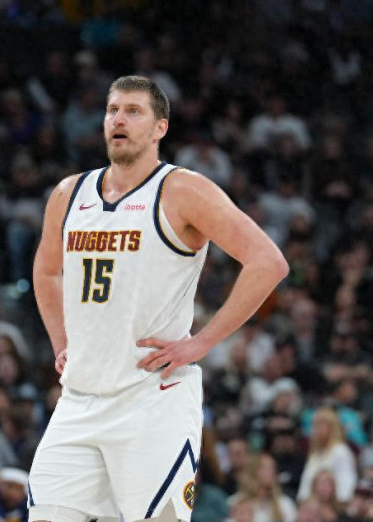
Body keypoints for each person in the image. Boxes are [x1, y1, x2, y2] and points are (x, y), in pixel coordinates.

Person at [28, 75, 289, 522]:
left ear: (159, 128)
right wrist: (60, 342)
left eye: (133, 111)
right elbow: (47, 270)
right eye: (113, 110)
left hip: (151, 399)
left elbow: (268, 262)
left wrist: (201, 342)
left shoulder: (183, 190)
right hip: (79, 398)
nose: (119, 120)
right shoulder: (69, 194)